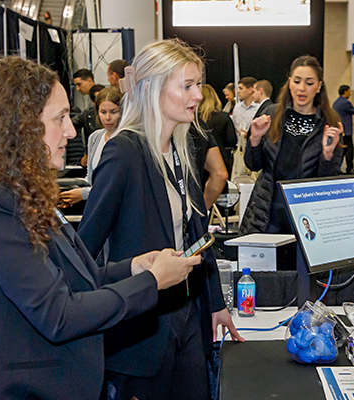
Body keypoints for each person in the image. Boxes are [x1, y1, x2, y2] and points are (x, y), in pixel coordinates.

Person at [0, 55, 199, 400]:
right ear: (20, 125)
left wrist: (134, 267)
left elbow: (73, 279)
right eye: (60, 118)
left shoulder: (21, 191)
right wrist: (151, 283)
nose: (71, 131)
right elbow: (58, 313)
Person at [78, 39, 243, 400]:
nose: (198, 95)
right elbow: (82, 251)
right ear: (152, 89)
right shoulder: (123, 152)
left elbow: (197, 234)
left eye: (197, 84)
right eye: (186, 86)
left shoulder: (181, 148)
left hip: (187, 318)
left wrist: (215, 303)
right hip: (141, 335)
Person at [240, 55, 343, 234]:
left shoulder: (329, 122)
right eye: (297, 81)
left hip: (308, 217)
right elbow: (254, 165)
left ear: (319, 86)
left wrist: (327, 155)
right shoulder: (271, 114)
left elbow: (328, 183)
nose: (302, 88)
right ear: (289, 83)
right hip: (267, 213)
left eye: (309, 83)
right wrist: (254, 140)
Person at [59, 86, 123, 207]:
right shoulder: (95, 137)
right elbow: (90, 179)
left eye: (114, 112)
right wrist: (70, 195)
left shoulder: (127, 140)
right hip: (97, 206)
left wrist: (83, 194)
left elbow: (117, 185)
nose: (107, 118)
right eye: (103, 112)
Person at [198, 84, 238, 180]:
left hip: (198, 163)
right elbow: (231, 140)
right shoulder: (223, 117)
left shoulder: (193, 120)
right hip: (221, 162)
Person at [332, 84, 354, 174]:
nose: (350, 93)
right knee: (349, 149)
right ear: (345, 92)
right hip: (345, 131)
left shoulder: (336, 102)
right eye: (349, 91)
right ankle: (349, 168)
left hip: (339, 129)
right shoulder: (345, 103)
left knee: (342, 149)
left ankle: (337, 168)